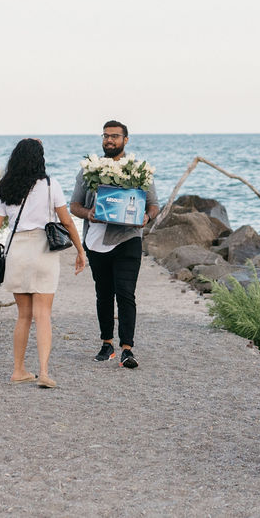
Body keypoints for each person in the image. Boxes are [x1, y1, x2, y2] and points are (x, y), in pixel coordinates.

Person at [0, 138, 85, 389]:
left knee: (23, 316)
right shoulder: (51, 185)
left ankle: (18, 370)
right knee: (43, 315)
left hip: (18, 250)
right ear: (39, 159)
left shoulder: (7, 187)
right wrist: (80, 250)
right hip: (44, 250)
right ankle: (43, 372)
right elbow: (67, 221)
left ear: (16, 158)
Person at [69, 120, 159, 369]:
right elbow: (74, 205)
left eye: (115, 136)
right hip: (96, 241)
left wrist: (146, 217)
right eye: (106, 136)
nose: (109, 140)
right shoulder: (89, 170)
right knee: (104, 294)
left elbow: (153, 204)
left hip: (128, 239)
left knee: (126, 293)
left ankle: (127, 349)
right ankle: (106, 344)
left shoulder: (139, 170)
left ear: (125, 140)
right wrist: (88, 214)